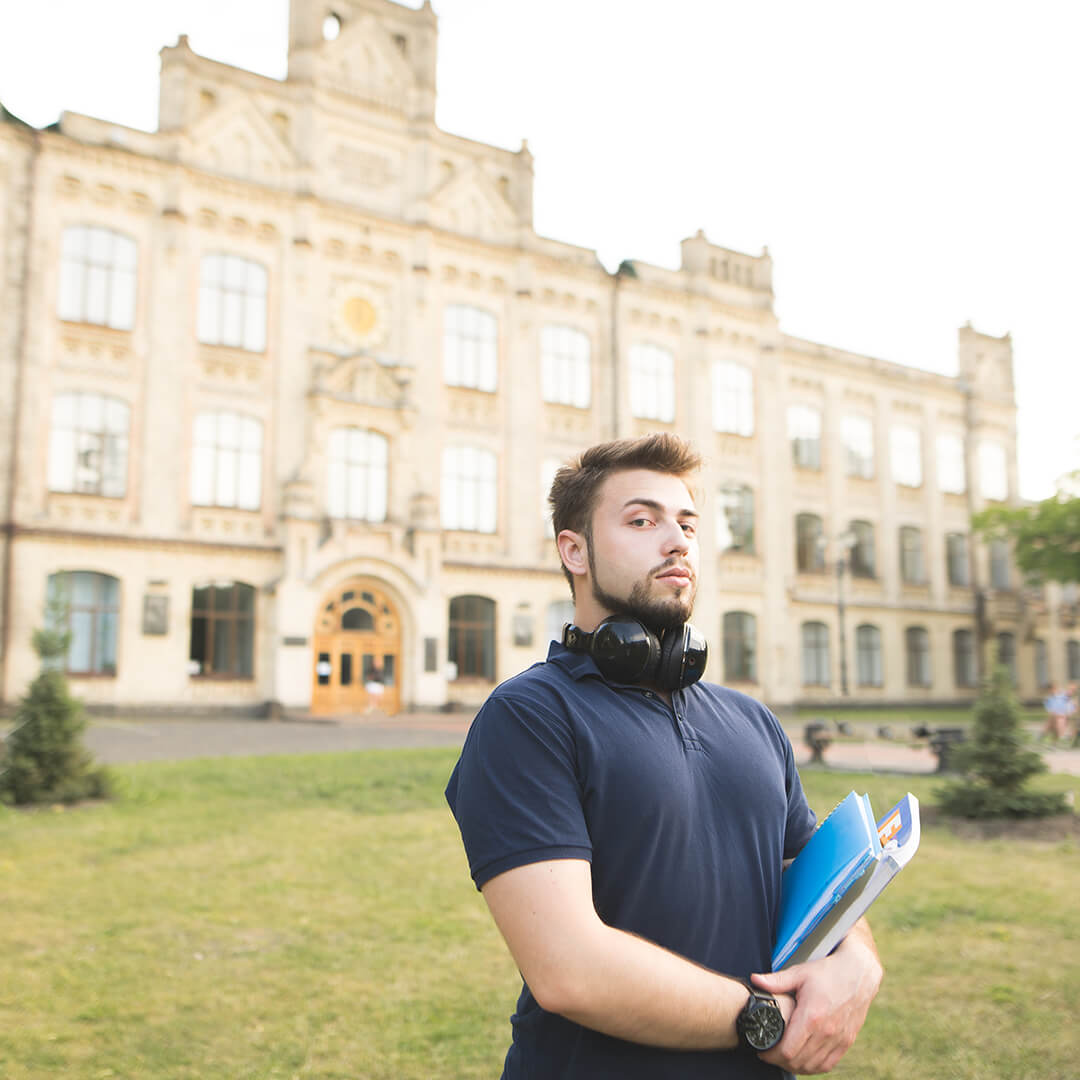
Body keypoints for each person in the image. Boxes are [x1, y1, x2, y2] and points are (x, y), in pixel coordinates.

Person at [445, 433, 882, 1079]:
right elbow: (570, 970)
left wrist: (860, 961)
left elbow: (820, 884)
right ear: (575, 550)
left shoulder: (752, 719)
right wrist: (764, 1020)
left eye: (687, 524)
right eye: (642, 520)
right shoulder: (530, 716)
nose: (675, 540)